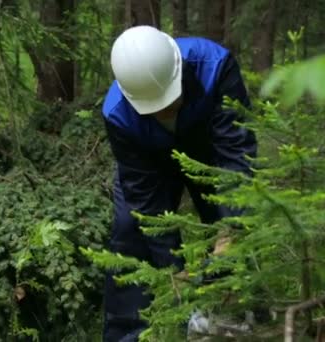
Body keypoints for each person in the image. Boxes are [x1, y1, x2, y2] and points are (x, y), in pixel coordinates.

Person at [100, 25, 257, 342]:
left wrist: (230, 231)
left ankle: (236, 318)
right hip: (152, 163)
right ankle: (130, 334)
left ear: (179, 69)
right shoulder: (117, 113)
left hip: (212, 153)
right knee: (130, 229)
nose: (166, 109)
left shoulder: (215, 67)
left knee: (228, 226)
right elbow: (145, 200)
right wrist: (175, 270)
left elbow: (236, 156)